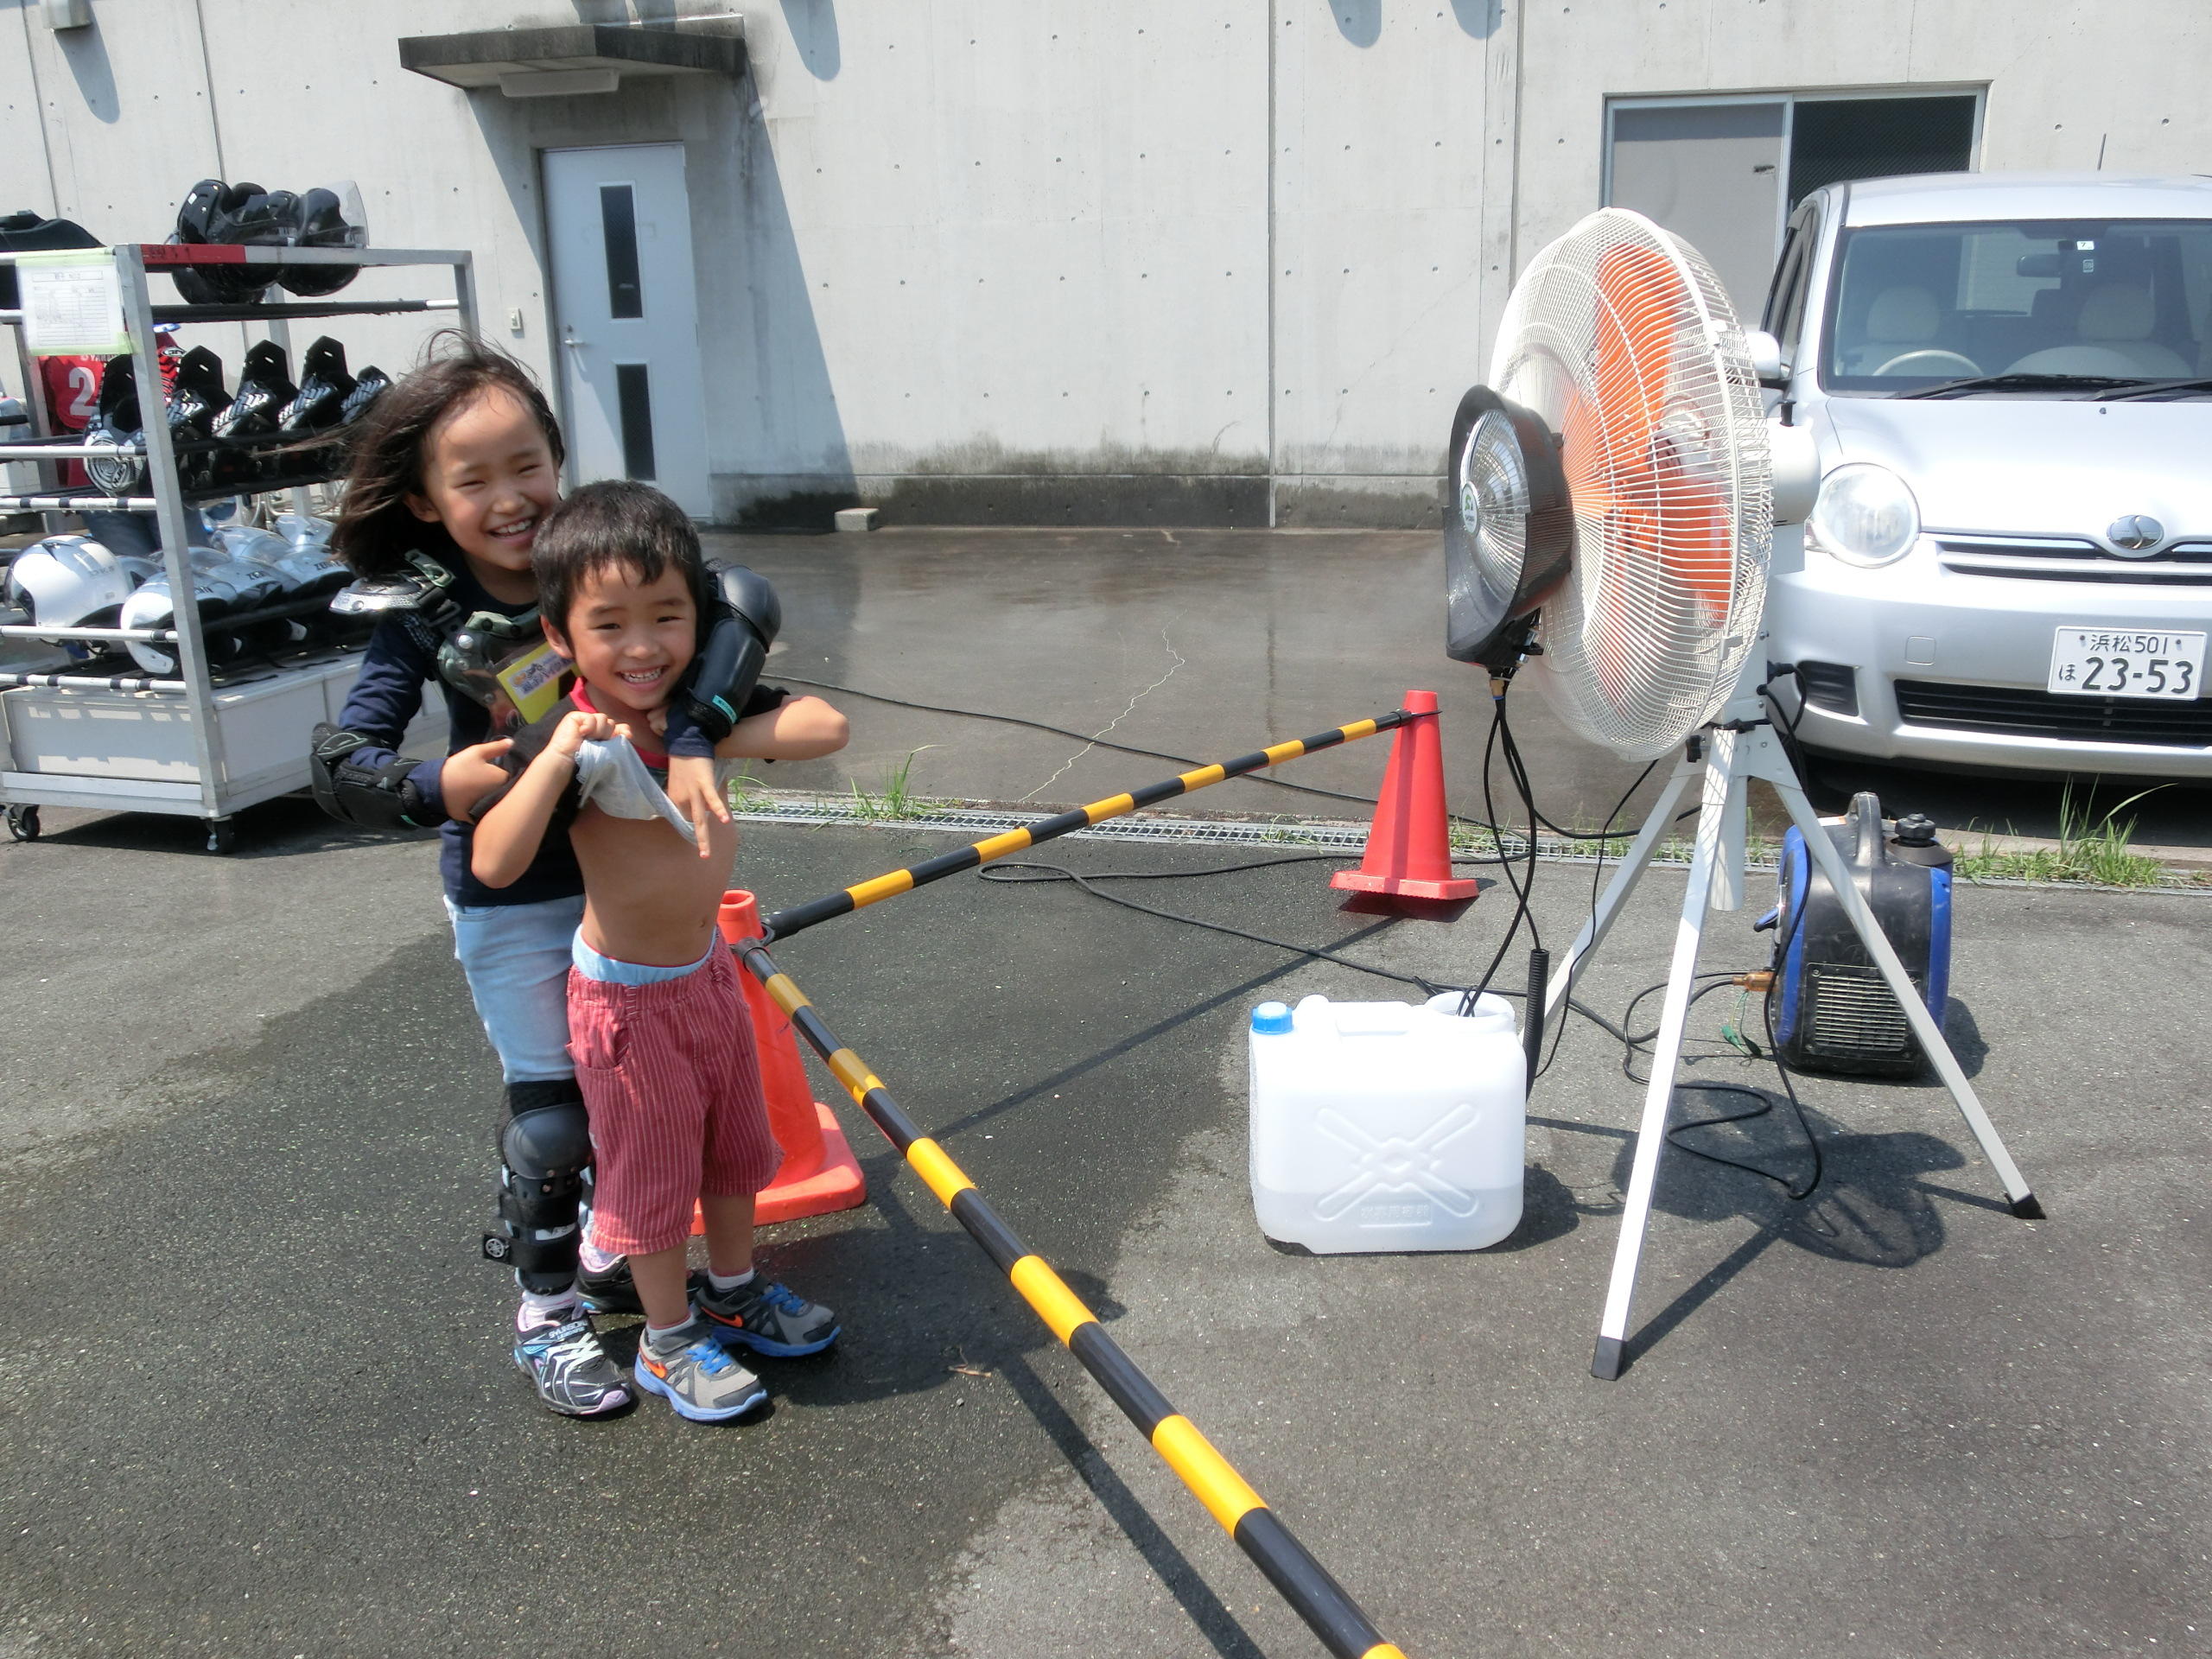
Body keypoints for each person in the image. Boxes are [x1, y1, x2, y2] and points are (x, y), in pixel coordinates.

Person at [309, 336, 785, 1415]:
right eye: (472, 479)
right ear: (427, 502)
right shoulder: (425, 622)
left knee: (652, 1102)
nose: (511, 497)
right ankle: (549, 1314)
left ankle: (640, 1264)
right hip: (514, 898)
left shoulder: (601, 570)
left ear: (557, 460)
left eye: (527, 464)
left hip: (630, 894)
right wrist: (437, 778)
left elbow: (740, 625)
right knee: (556, 1117)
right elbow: (342, 766)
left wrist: (707, 725)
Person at [471, 480, 849, 1421]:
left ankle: (729, 1288)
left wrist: (698, 734)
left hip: (705, 977)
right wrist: (560, 756)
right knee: (650, 1180)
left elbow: (825, 726)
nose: (643, 646)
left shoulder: (698, 704)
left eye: (667, 616)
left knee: (732, 1155)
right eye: (610, 624)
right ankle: (665, 1341)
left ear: (699, 614)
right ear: (561, 635)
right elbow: (496, 856)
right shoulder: (561, 729)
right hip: (626, 1005)